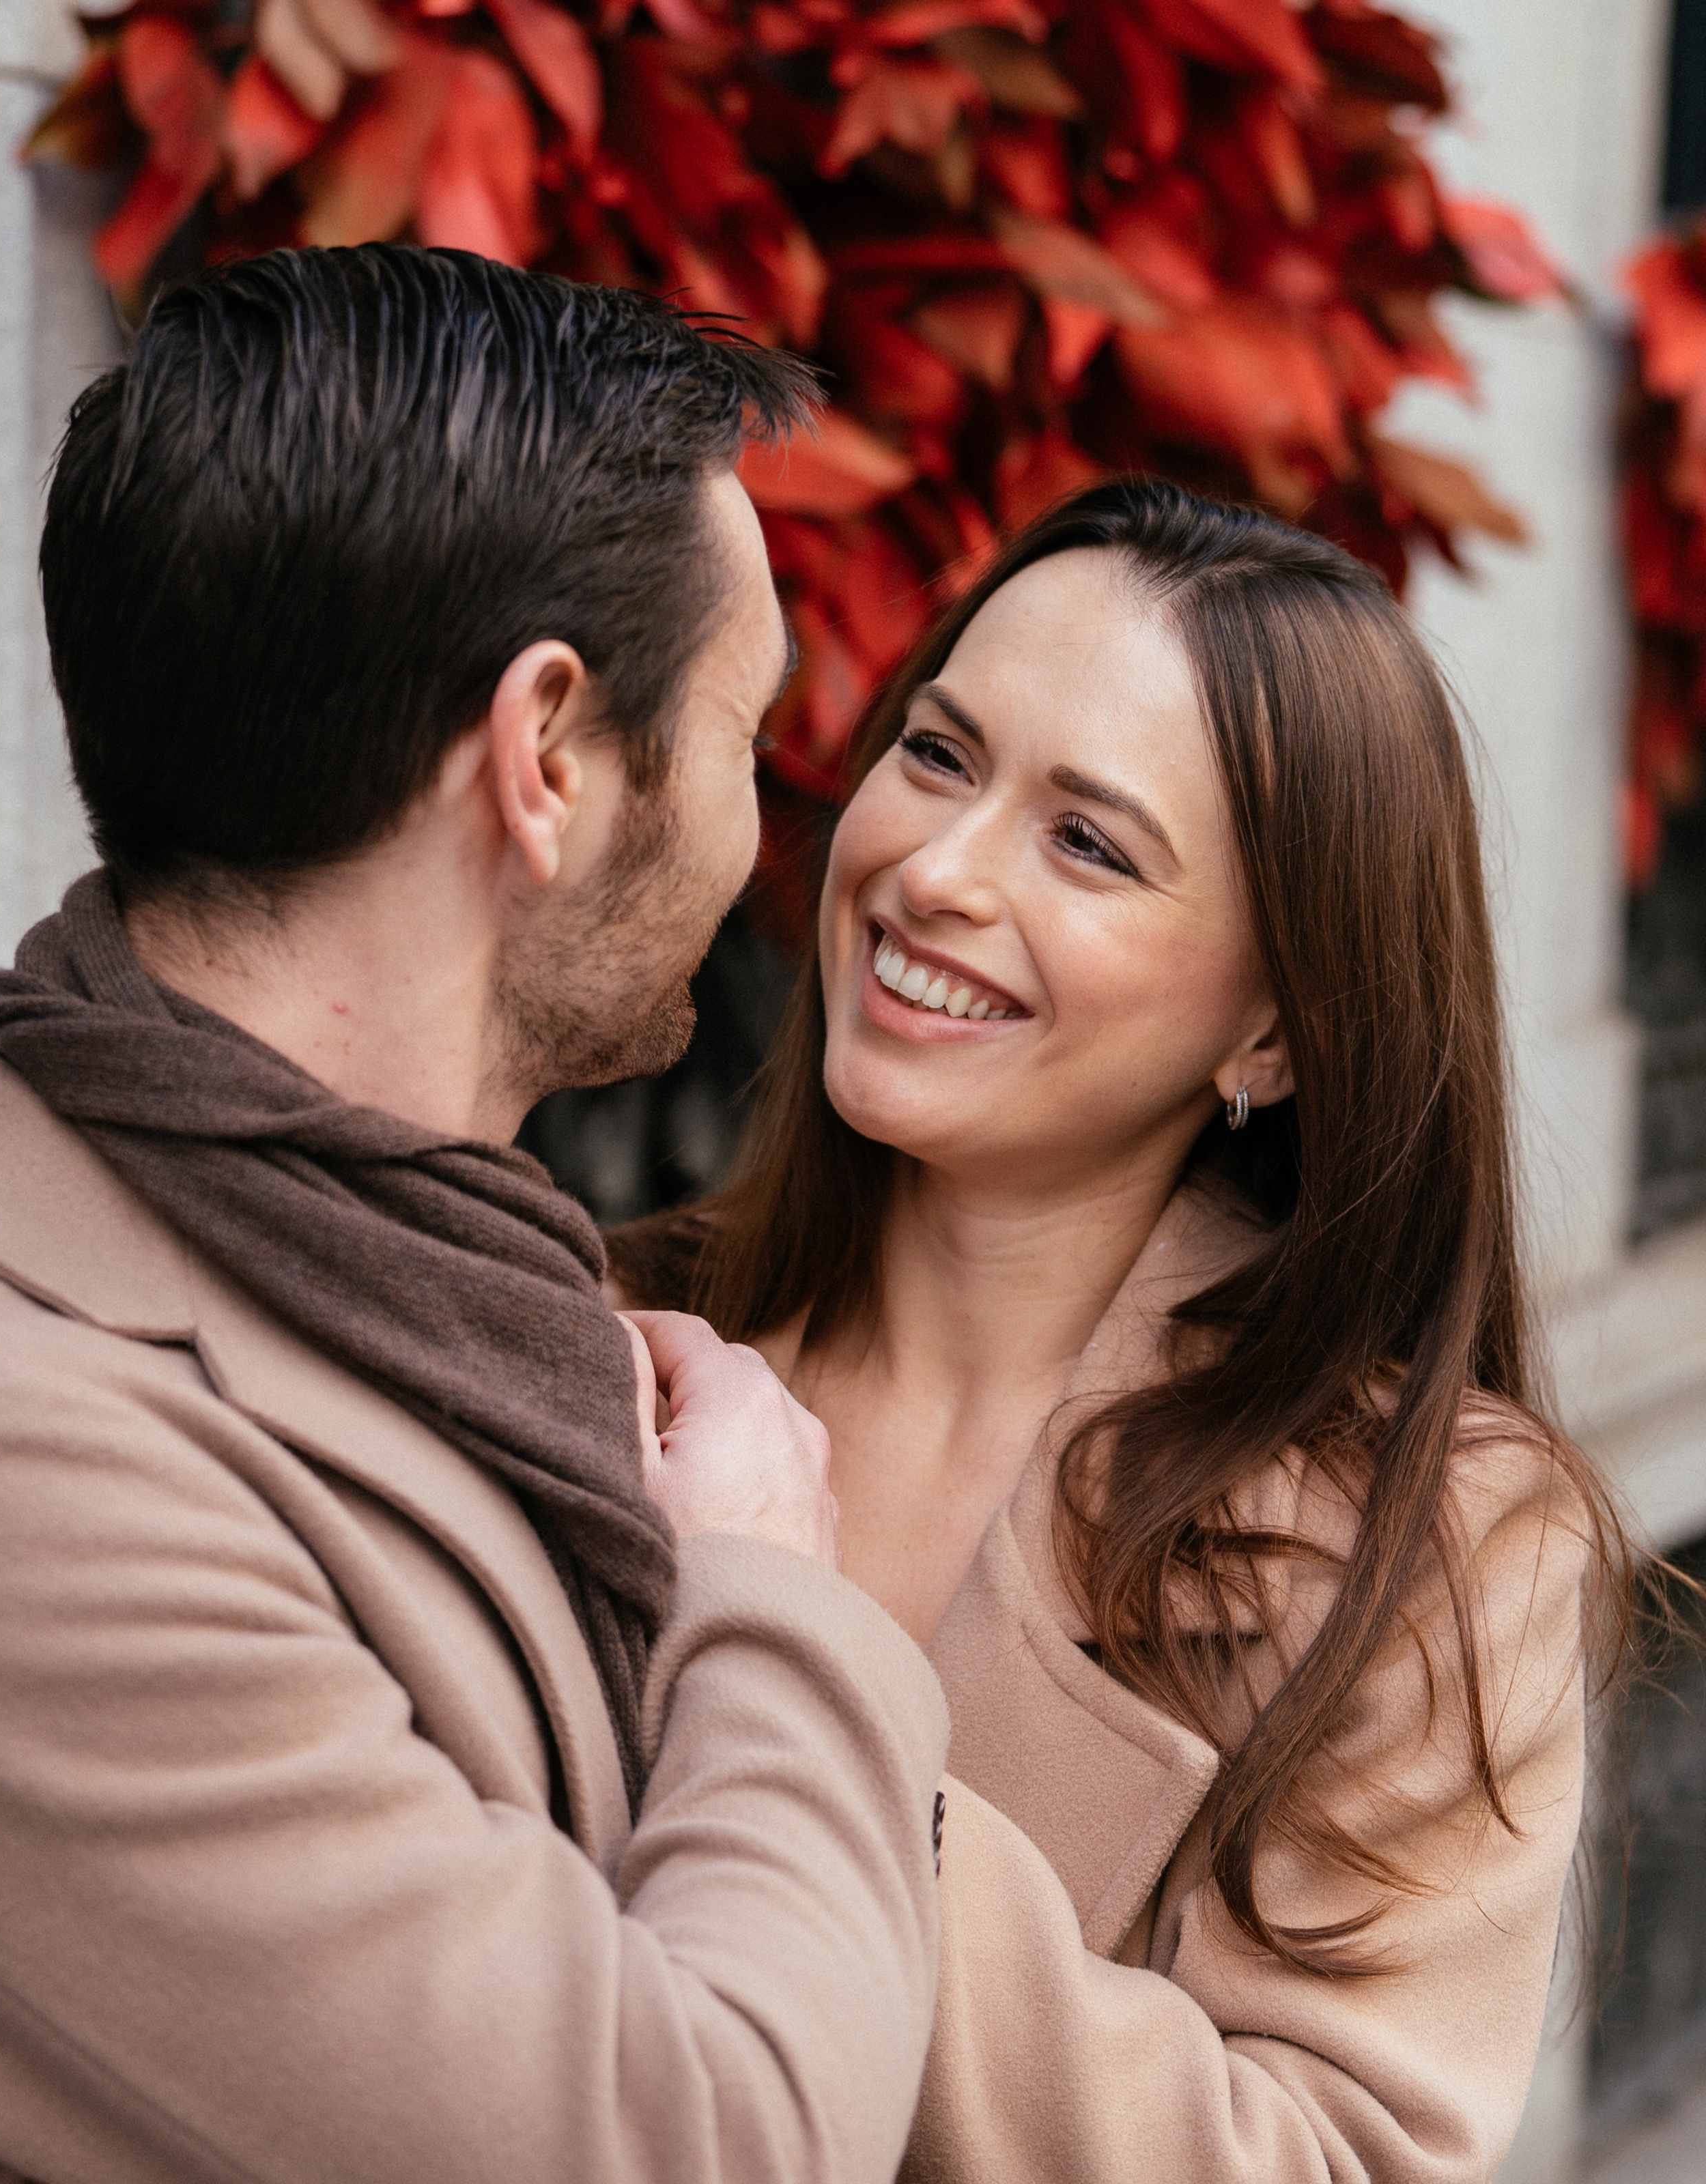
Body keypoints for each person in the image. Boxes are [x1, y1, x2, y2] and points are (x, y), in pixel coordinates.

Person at [0, 245, 951, 2184]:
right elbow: (695, 2147)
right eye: (744, 740)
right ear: (550, 757)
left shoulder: (426, 1281)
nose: (772, 839)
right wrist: (771, 1604)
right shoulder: (20, 1458)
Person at [612, 478, 1630, 2184]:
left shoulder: (1422, 1539)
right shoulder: (614, 1330)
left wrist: (795, 1695)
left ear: (1274, 1034)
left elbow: (1326, 2161)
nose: (930, 870)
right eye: (937, 754)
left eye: (1086, 841)